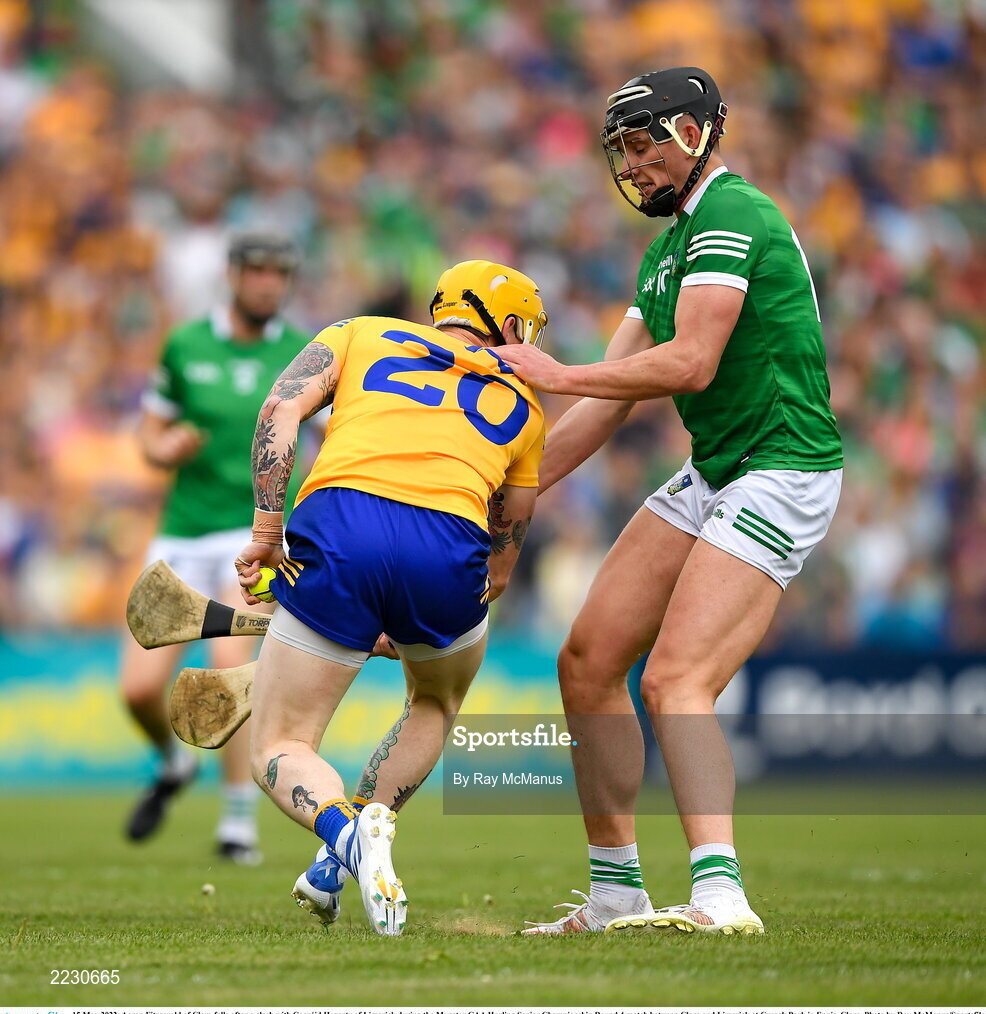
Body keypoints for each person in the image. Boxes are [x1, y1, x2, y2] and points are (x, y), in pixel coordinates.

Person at [498, 67, 843, 935]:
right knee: (585, 660)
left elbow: (688, 364)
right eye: (622, 150)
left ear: (695, 132)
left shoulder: (735, 214)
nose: (633, 165)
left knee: (677, 677)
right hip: (719, 465)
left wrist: (558, 372)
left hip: (785, 465)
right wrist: (507, 496)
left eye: (644, 143)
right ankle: (616, 891)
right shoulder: (666, 249)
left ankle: (721, 894)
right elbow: (601, 408)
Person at [233, 260, 547, 935]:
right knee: (435, 699)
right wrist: (403, 615)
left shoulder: (359, 331)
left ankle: (346, 839)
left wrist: (266, 531)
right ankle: (340, 857)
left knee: (279, 743)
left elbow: (279, 409)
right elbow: (502, 560)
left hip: (340, 524)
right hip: (451, 546)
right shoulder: (526, 401)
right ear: (512, 326)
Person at [121, 233, 310, 863]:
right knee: (138, 689)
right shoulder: (185, 343)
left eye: (278, 273)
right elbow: (151, 430)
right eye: (256, 271)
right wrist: (159, 449)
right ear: (233, 275)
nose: (267, 284)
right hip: (181, 530)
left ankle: (237, 824)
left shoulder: (302, 352)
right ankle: (174, 763)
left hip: (254, 534)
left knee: (230, 662)